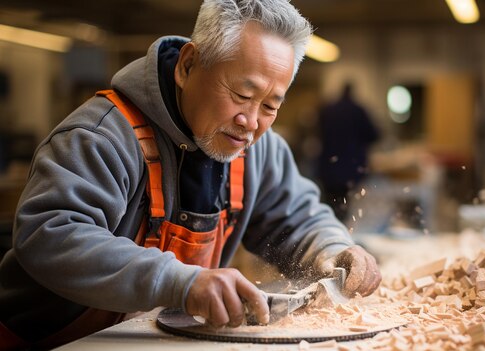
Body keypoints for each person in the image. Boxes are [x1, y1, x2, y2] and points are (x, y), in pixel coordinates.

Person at [0, 0, 381, 349]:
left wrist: (333, 251)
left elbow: (297, 221)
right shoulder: (100, 137)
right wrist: (182, 282)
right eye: (241, 95)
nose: (250, 123)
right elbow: (49, 234)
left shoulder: (257, 151)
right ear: (187, 66)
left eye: (269, 105)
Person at [317, 83, 380, 221]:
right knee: (346, 208)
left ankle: (332, 232)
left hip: (329, 168)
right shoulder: (358, 111)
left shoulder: (328, 110)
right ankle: (339, 235)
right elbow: (374, 136)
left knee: (329, 206)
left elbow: (317, 134)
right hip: (350, 168)